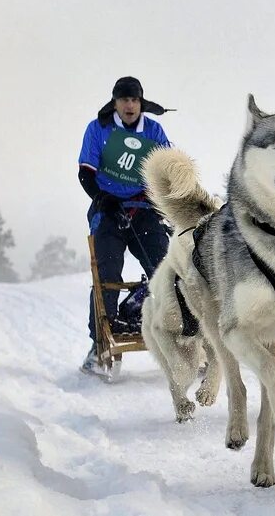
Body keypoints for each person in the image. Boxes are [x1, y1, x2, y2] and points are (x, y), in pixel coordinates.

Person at [78, 76, 172, 374]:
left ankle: (181, 336)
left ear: (141, 103)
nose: (129, 105)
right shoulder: (99, 129)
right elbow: (85, 173)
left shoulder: (154, 131)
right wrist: (103, 200)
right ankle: (99, 343)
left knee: (167, 269)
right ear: (115, 103)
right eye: (124, 100)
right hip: (109, 209)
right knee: (107, 274)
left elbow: (169, 170)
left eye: (134, 100)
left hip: (144, 208)